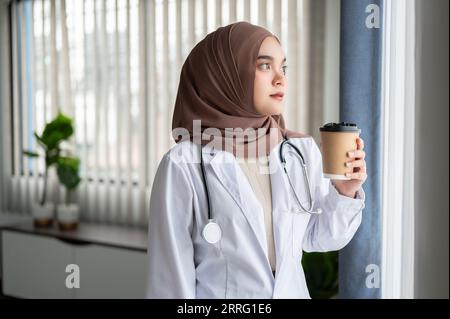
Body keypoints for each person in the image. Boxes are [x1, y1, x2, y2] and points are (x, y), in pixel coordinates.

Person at [146, 21, 367, 299]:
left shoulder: (299, 150)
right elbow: (169, 282)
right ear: (225, 75)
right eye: (264, 65)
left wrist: (345, 191)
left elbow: (317, 237)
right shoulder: (183, 165)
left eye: (283, 68)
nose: (280, 79)